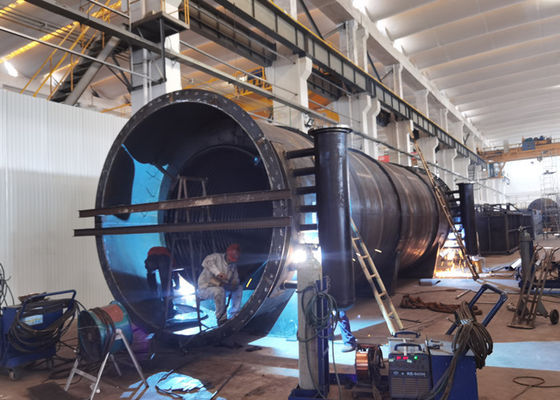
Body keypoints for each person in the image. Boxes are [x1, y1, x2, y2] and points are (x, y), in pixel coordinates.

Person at [198, 243, 243, 326]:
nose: (230, 261)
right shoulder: (215, 258)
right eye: (230, 259)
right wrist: (218, 273)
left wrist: (234, 283)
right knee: (219, 290)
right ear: (227, 254)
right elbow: (206, 262)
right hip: (205, 288)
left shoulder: (232, 265)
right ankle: (221, 318)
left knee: (239, 288)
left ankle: (234, 314)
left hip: (222, 289)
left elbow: (236, 279)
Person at [144, 246, 180, 318]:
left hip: (151, 257)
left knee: (151, 274)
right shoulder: (171, 255)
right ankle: (169, 308)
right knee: (166, 281)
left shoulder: (155, 249)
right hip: (164, 258)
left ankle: (154, 299)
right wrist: (177, 285)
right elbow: (175, 272)